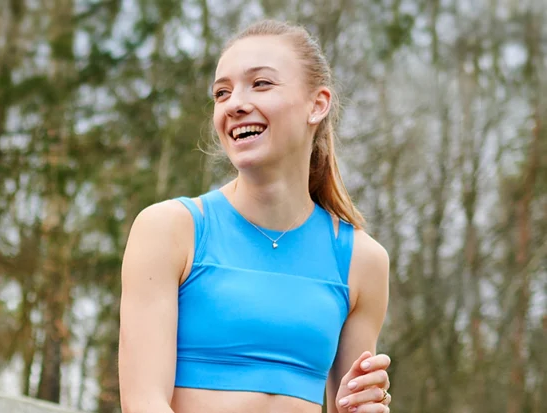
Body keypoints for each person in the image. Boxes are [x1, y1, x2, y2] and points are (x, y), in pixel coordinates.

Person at [118, 20, 392, 413]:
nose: (234, 104)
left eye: (261, 84)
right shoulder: (169, 230)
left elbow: (346, 405)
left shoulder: (363, 261)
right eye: (222, 92)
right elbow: (144, 403)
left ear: (317, 104)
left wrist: (362, 407)